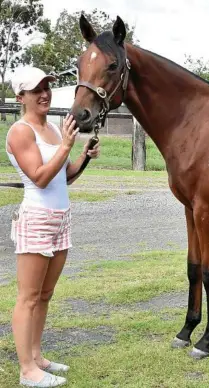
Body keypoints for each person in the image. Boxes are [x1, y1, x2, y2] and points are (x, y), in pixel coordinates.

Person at [5, 66, 100, 387]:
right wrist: (66, 147)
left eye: (47, 87)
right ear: (21, 97)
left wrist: (83, 156)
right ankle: (26, 370)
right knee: (28, 297)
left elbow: (65, 176)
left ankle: (37, 357)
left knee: (45, 294)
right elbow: (41, 177)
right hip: (36, 218)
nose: (44, 93)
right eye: (36, 90)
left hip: (61, 217)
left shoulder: (56, 130)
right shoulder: (21, 131)